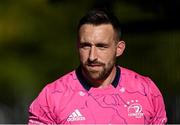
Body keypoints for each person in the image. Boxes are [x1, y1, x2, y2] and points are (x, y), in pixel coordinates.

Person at [28, 8, 167, 124]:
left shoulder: (147, 91)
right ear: (77, 46)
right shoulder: (51, 97)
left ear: (119, 48)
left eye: (101, 46)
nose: (92, 56)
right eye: (85, 46)